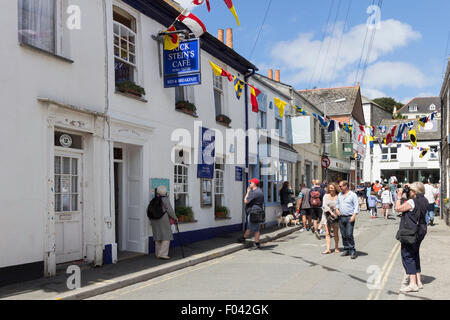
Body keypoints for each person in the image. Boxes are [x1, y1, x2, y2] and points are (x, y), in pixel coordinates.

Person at [395, 182, 428, 293]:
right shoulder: (425, 200)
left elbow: (398, 208)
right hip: (421, 230)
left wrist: (399, 197)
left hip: (411, 232)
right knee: (415, 253)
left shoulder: (412, 201)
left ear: (414, 191)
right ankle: (418, 281)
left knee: (407, 255)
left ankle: (412, 284)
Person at [149, 186, 178, 260]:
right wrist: (175, 217)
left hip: (154, 220)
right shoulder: (165, 199)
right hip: (163, 219)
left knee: (158, 236)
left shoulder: (154, 199)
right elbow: (170, 210)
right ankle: (163, 254)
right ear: (165, 192)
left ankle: (158, 253)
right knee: (166, 236)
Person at [238, 178, 265, 250]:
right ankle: (243, 238)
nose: (250, 184)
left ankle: (257, 244)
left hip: (254, 213)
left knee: (256, 229)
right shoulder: (260, 191)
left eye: (251, 183)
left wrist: (247, 192)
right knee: (250, 226)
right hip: (256, 212)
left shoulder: (255, 192)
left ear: (254, 184)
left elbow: (246, 201)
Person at [336, 181, 360, 259]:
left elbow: (356, 206)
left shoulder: (352, 195)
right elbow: (337, 204)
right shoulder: (339, 195)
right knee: (343, 234)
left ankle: (352, 250)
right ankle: (346, 249)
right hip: (341, 217)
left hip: (350, 216)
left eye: (341, 186)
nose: (339, 188)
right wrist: (337, 210)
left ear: (346, 186)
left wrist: (354, 215)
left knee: (349, 234)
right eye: (339, 186)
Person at [321, 182, 341, 254]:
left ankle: (336, 247)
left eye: (332, 188)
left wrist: (336, 210)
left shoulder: (339, 196)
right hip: (326, 216)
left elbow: (340, 205)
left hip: (335, 217)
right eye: (329, 189)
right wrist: (330, 211)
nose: (331, 190)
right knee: (327, 233)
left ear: (335, 189)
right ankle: (328, 249)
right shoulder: (326, 196)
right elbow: (324, 205)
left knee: (335, 233)